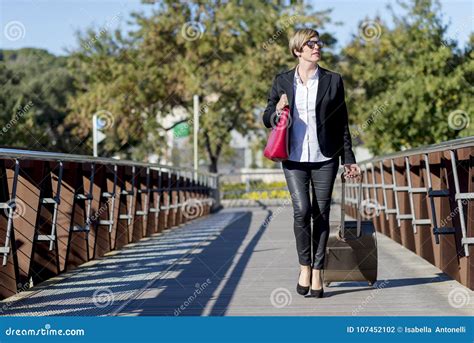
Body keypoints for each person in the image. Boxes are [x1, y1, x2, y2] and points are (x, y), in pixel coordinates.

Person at [262, 28, 361, 298]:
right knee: (301, 210)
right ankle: (303, 266)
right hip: (293, 157)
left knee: (321, 213)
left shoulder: (333, 80)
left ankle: (317, 271)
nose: (317, 47)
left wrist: (348, 159)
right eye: (311, 44)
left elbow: (342, 123)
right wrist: (277, 110)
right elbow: (267, 115)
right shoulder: (282, 80)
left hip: (325, 157)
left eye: (318, 43)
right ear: (298, 50)